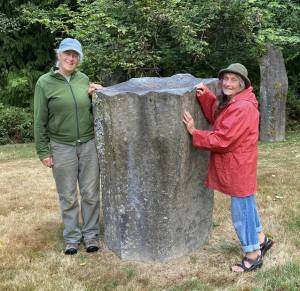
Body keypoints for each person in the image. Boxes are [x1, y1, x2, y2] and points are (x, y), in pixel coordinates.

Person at [183, 63, 273, 272]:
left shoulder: (242, 107)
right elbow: (222, 116)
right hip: (242, 164)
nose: (228, 83)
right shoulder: (238, 102)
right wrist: (206, 96)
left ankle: (252, 255)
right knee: (247, 204)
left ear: (242, 84)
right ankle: (261, 240)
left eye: (233, 80)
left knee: (241, 212)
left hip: (237, 166)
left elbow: (223, 139)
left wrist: (195, 132)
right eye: (226, 79)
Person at [34, 38, 103, 255]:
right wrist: (43, 151)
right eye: (67, 54)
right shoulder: (44, 83)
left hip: (88, 144)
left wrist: (98, 94)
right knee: (68, 195)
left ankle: (91, 235)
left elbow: (94, 112)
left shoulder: (83, 79)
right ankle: (72, 238)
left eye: (75, 55)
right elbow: (39, 120)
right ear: (59, 55)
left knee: (91, 193)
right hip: (61, 147)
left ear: (79, 59)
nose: (71, 58)